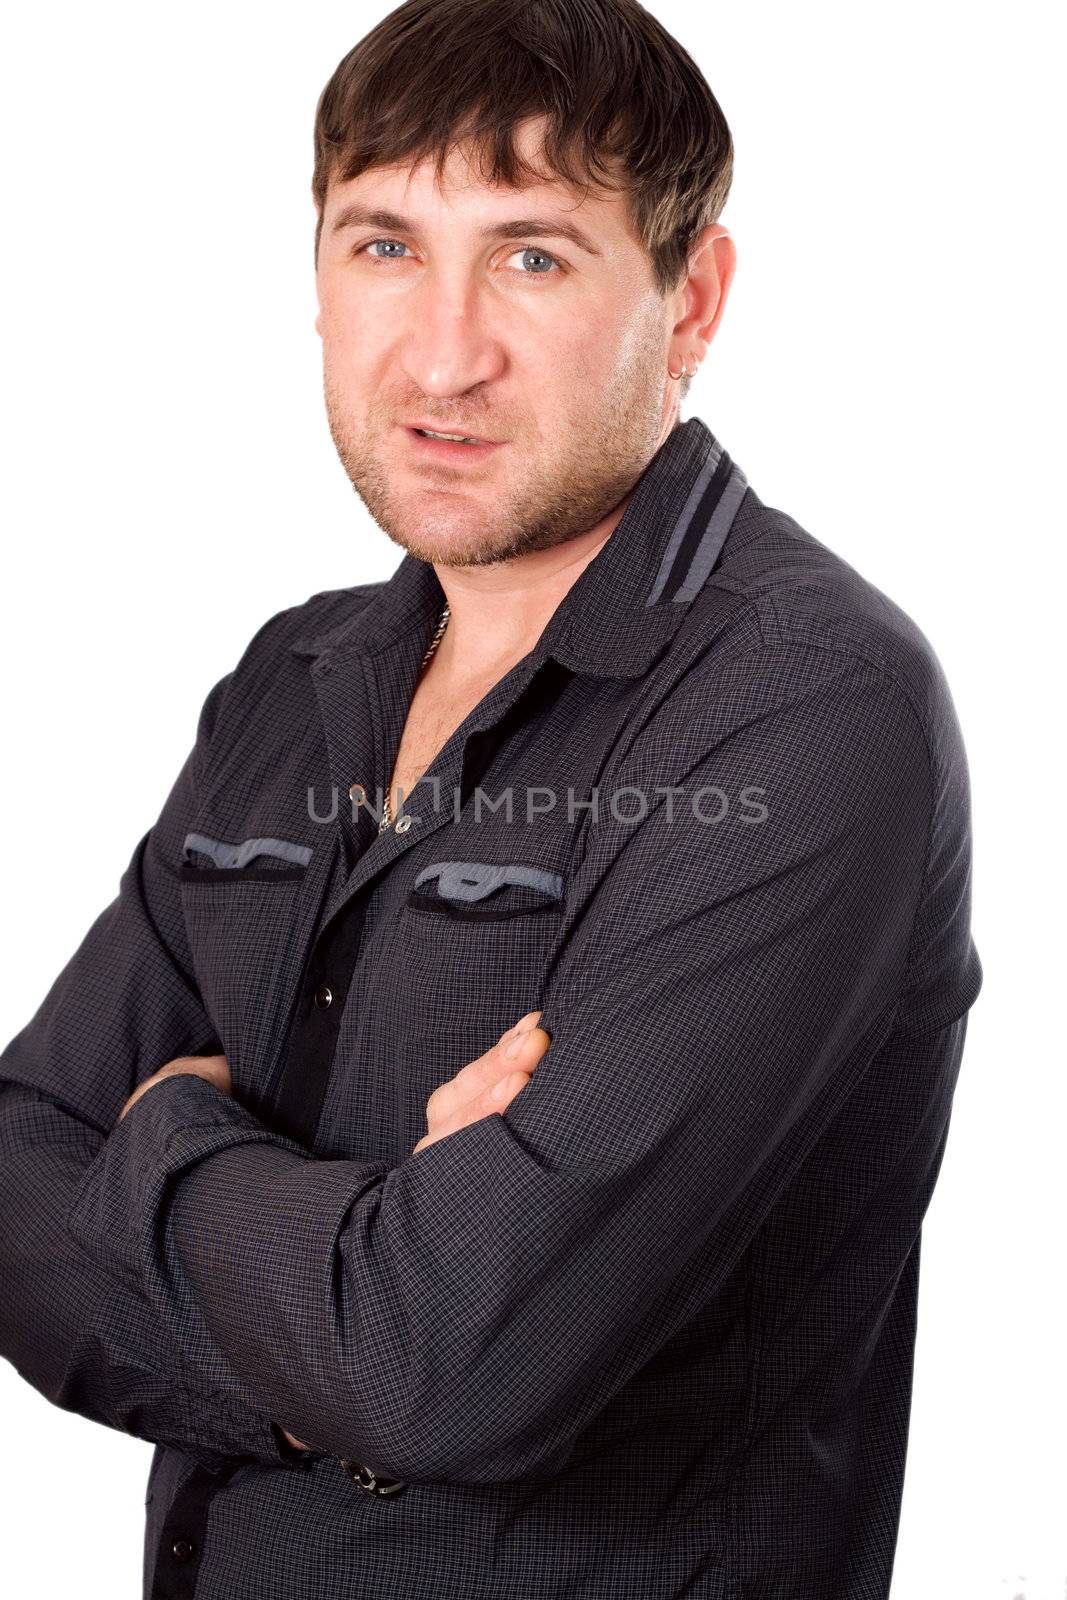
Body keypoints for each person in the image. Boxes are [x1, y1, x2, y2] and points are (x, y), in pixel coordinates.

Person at [0, 1, 983, 1596]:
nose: (442, 353)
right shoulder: (293, 679)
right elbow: (15, 1176)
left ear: (691, 299)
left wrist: (168, 1134)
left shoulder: (811, 712)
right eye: (385, 246)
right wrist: (357, 1291)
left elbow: (447, 1364)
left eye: (532, 256)